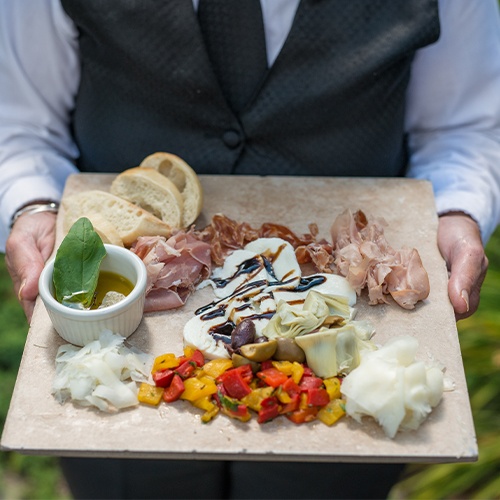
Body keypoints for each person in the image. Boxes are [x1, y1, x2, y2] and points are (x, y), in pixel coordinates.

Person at [1, 0, 499, 498]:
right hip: (126, 444)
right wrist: (32, 204)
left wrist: (459, 209)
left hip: (334, 453)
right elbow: (19, 120)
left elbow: (464, 126)